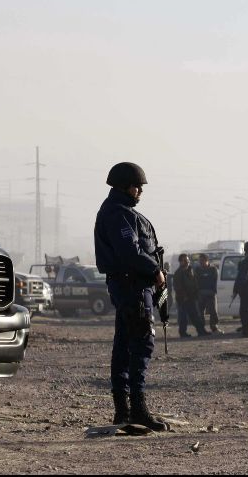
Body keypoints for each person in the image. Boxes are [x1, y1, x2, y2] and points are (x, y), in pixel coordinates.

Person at [94, 162, 170, 432]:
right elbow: (130, 253)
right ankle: (136, 409)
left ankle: (124, 411)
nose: (140, 191)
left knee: (125, 345)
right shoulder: (119, 215)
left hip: (133, 287)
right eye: (137, 186)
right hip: (133, 288)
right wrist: (154, 270)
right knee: (140, 345)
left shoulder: (123, 212)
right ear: (125, 185)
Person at [173, 254, 210, 337]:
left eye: (188, 260)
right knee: (183, 318)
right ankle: (183, 333)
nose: (187, 262)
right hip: (183, 299)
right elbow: (177, 287)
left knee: (196, 316)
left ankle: (201, 331)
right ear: (181, 262)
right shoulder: (178, 273)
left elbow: (194, 283)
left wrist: (196, 294)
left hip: (192, 297)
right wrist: (184, 296)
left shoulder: (190, 271)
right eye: (185, 261)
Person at [196, 253, 223, 334]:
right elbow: (195, 281)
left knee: (213, 312)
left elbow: (216, 281)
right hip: (200, 294)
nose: (201, 262)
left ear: (207, 260)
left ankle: (214, 328)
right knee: (200, 312)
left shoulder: (213, 269)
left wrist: (214, 291)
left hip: (211, 294)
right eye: (200, 261)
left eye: (203, 261)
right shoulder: (197, 269)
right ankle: (201, 329)